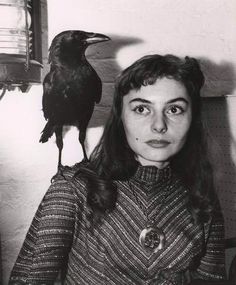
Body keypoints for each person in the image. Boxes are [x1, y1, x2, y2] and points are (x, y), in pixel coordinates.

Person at [9, 54, 226, 285]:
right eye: (142, 109)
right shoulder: (72, 191)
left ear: (192, 118)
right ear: (121, 117)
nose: (159, 125)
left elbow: (211, 279)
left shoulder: (201, 194)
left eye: (174, 109)